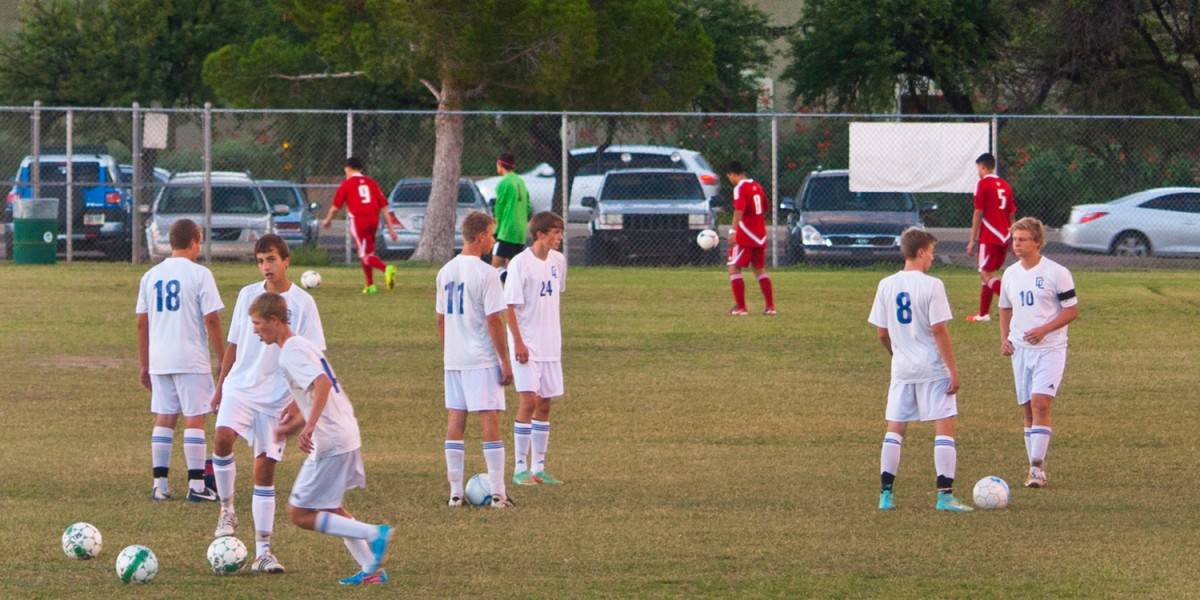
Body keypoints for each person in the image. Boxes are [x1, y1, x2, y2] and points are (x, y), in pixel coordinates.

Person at [248, 292, 393, 587]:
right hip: (343, 433)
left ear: (274, 321)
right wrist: (293, 426)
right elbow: (314, 393)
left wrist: (310, 427)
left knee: (299, 513)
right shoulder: (300, 345)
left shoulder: (290, 351)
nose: (254, 330)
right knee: (330, 509)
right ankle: (371, 570)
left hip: (331, 440)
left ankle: (375, 534)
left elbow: (322, 383)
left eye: (258, 323)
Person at [209, 235, 326, 573]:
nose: (266, 267)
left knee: (265, 470)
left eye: (271, 259)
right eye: (260, 261)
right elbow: (232, 346)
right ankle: (227, 509)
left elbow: (315, 357)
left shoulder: (303, 304)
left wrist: (297, 401)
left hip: (277, 397)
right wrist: (220, 387)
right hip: (240, 388)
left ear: (286, 260)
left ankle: (263, 552)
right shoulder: (248, 295)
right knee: (221, 437)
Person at [869, 228, 972, 512]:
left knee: (895, 429)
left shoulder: (886, 284)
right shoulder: (932, 285)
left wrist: (897, 354)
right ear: (922, 252)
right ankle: (945, 496)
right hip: (932, 367)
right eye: (932, 252)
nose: (933, 258)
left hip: (902, 369)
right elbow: (939, 329)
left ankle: (886, 496)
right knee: (944, 425)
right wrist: (952, 369)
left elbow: (881, 332)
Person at [135, 218, 224, 502]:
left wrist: (144, 363)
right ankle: (197, 486)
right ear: (194, 240)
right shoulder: (200, 274)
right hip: (190, 358)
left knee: (165, 417)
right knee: (194, 418)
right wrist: (223, 358)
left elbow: (141, 323)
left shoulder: (150, 276)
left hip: (160, 358)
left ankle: (159, 484)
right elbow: (211, 318)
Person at [437, 211, 515, 508]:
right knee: (489, 422)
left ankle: (456, 493)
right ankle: (498, 494)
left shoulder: (445, 271)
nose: (494, 241)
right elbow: (495, 320)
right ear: (481, 236)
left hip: (453, 359)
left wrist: (449, 352)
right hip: (480, 358)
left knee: (456, 421)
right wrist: (504, 362)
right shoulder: (487, 274)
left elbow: (440, 319)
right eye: (492, 235)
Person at [998, 217, 1078, 489]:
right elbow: (1005, 308)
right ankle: (1032, 463)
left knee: (1040, 403)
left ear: (1037, 242)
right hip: (1020, 350)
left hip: (1050, 349)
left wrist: (1044, 329)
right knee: (1027, 410)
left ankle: (1036, 468)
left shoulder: (1057, 273)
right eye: (1014, 240)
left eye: (1022, 240)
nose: (1016, 245)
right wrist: (1005, 338)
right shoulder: (1010, 274)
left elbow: (1071, 310)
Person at [504, 212, 568, 486]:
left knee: (545, 403)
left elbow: (554, 296)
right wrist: (518, 342)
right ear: (540, 234)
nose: (560, 237)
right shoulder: (520, 263)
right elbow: (510, 306)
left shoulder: (558, 261)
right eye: (555, 232)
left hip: (551, 344)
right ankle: (520, 468)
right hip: (526, 344)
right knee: (528, 401)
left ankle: (538, 467)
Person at [321, 156, 399, 295]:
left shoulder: (347, 184)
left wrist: (328, 220)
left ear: (347, 168)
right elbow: (384, 207)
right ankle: (370, 285)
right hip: (373, 219)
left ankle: (386, 268)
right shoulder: (371, 183)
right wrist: (391, 229)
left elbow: (335, 207)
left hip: (359, 221)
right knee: (367, 252)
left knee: (364, 254)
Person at [965, 152, 1017, 322]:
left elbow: (978, 212)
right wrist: (1012, 237)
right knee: (988, 274)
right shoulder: (1005, 185)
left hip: (990, 236)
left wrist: (973, 240)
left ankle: (1016, 305)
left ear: (983, 167)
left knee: (986, 275)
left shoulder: (982, 184)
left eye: (978, 168)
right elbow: (1011, 215)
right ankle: (983, 314)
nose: (978, 172)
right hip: (1004, 236)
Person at [724, 161, 775, 316]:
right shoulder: (756, 186)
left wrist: (733, 231)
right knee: (759, 270)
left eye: (729, 176)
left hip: (745, 234)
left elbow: (739, 209)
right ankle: (770, 307)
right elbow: (765, 206)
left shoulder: (740, 188)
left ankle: (741, 308)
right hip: (759, 234)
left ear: (732, 174)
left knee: (734, 267)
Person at [489, 152, 531, 281]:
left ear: (500, 165)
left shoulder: (504, 183)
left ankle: (508, 282)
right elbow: (528, 207)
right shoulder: (521, 182)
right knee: (512, 266)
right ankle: (511, 293)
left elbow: (499, 208)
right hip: (520, 231)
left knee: (494, 269)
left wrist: (496, 230)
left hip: (507, 231)